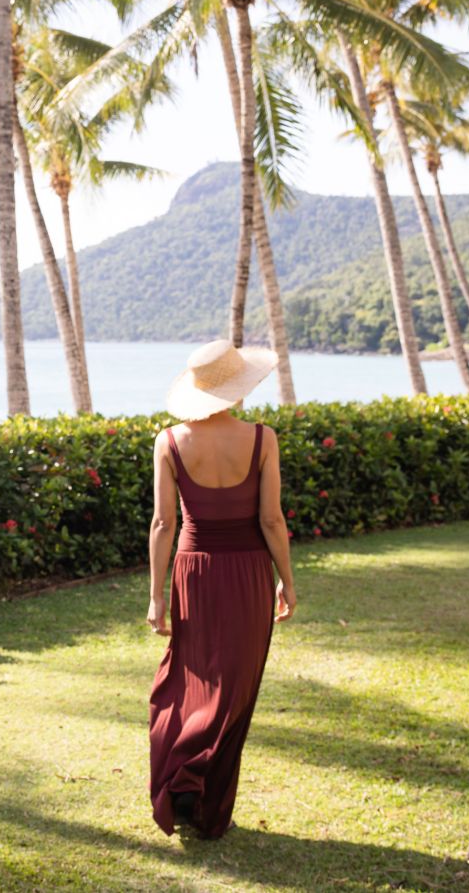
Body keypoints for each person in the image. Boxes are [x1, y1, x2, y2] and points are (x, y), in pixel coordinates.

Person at [148, 338, 296, 840]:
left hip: (193, 574)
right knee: (235, 689)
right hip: (249, 573)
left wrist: (156, 595)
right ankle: (201, 796)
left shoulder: (169, 441)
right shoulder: (262, 439)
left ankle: (187, 785)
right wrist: (286, 581)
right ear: (237, 388)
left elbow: (163, 524)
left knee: (192, 679)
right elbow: (271, 520)